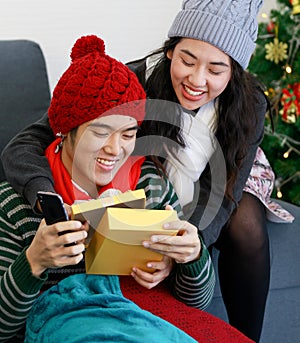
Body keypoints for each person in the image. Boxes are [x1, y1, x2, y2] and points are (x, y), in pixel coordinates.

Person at [1, 1, 294, 342]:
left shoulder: (154, 184)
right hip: (82, 277)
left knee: (245, 225)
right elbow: (32, 139)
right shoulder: (125, 82)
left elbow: (216, 206)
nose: (197, 79)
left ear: (234, 72)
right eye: (187, 60)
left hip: (220, 175)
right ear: (170, 51)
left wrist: (187, 253)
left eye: (216, 70)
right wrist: (42, 209)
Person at [0, 35, 215, 343]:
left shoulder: (151, 186)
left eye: (128, 134)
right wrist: (34, 262)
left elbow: (197, 302)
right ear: (64, 131)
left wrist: (191, 257)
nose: (116, 149)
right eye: (101, 131)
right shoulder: (16, 206)